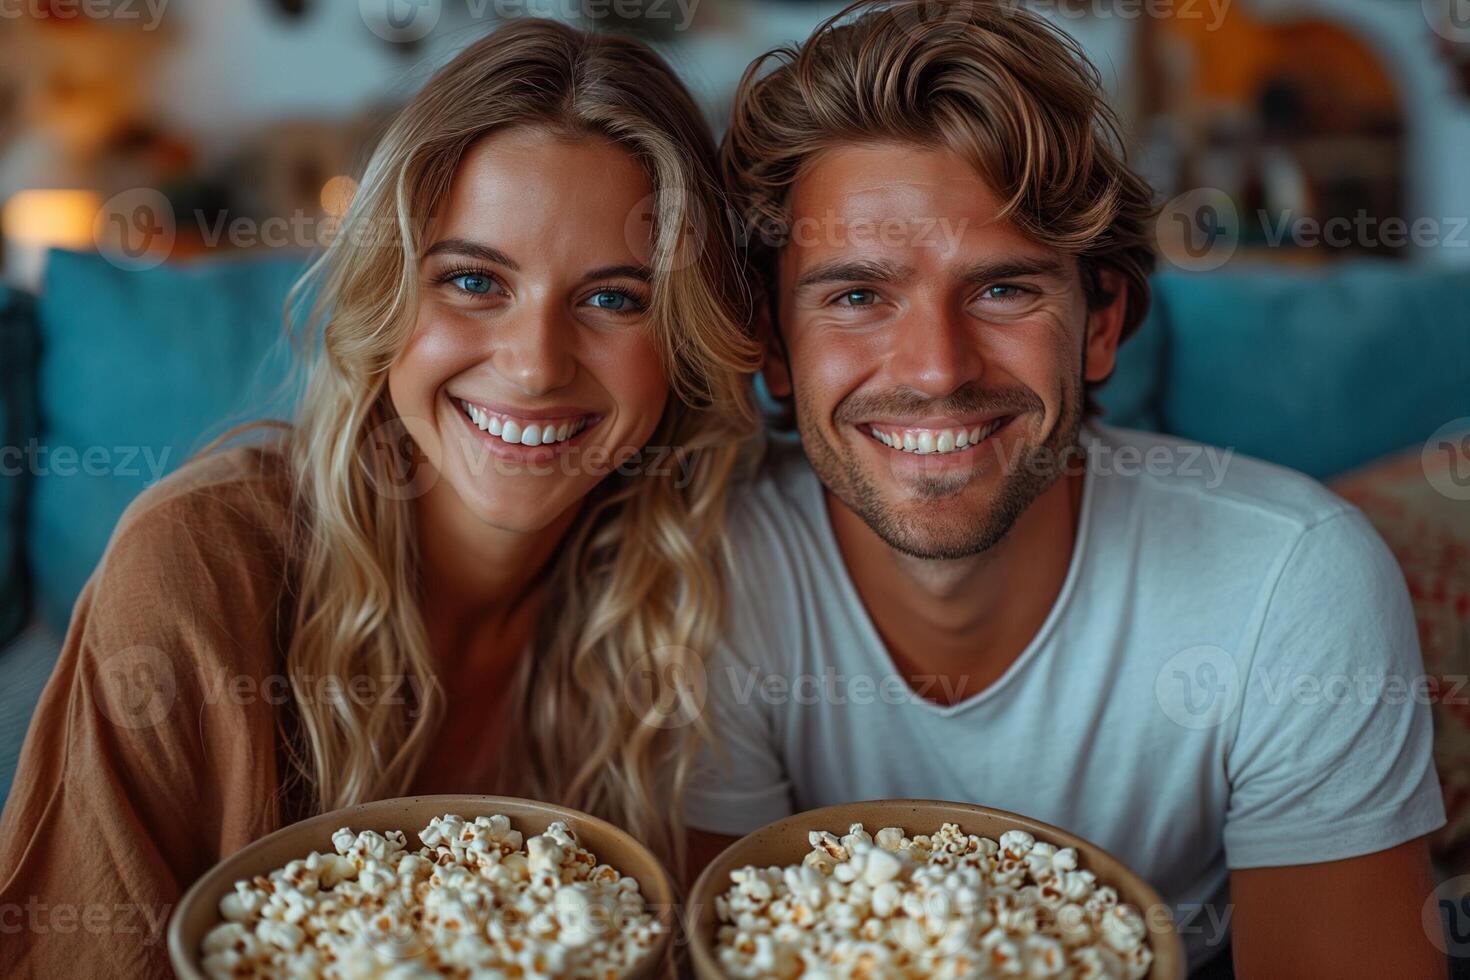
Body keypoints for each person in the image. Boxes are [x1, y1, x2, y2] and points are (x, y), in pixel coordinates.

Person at [685, 1, 1446, 975]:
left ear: (1099, 322)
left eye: (1004, 288)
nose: (936, 369)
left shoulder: (1292, 582)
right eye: (858, 294)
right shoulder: (707, 579)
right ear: (775, 344)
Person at [0, 19, 760, 978]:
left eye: (614, 298)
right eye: (475, 280)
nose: (533, 367)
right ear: (387, 294)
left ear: (684, 339)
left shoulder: (701, 573)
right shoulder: (195, 569)